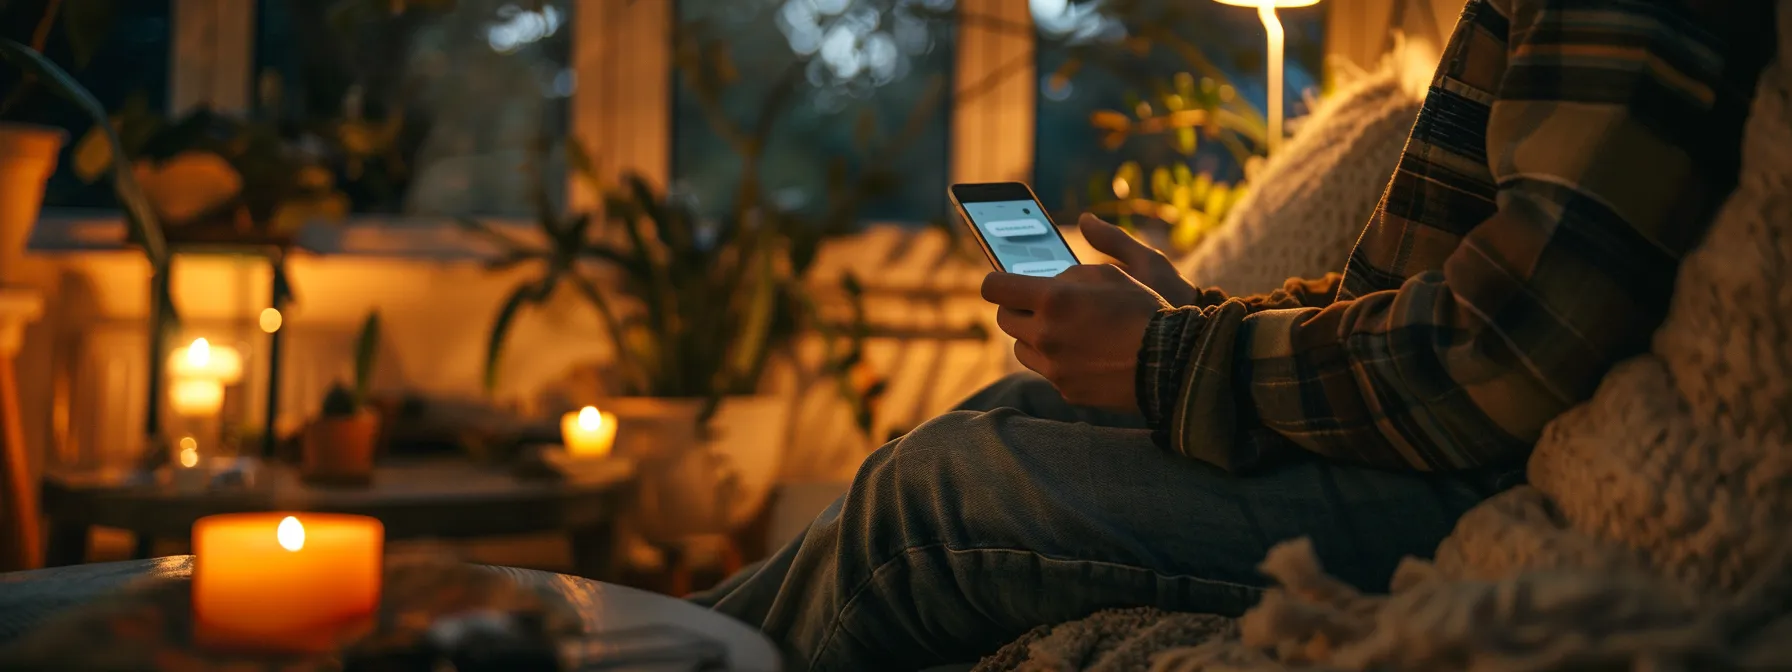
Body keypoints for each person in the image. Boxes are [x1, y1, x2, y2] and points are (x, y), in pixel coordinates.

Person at [689, 0, 1778, 669]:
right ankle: (629, 637)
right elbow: (1430, 289)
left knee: (931, 496)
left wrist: (1171, 360)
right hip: (1414, 446)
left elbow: (1505, 348)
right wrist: (1205, 320)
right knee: (1016, 406)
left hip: (1463, 481)